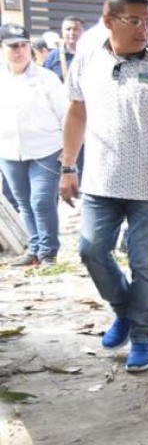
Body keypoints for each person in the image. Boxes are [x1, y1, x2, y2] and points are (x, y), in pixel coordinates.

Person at [59, 0, 148, 373]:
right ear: (109, 21)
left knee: (143, 263)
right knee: (91, 251)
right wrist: (67, 166)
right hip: (100, 182)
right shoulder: (87, 59)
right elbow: (76, 112)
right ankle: (124, 308)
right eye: (134, 21)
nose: (143, 29)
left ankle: (142, 335)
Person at [0, 23, 68, 266]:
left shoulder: (46, 78)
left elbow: (65, 115)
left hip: (46, 148)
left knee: (41, 200)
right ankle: (35, 248)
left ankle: (48, 251)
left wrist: (68, 152)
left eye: (23, 45)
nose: (19, 51)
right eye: (13, 47)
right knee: (24, 202)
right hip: (9, 150)